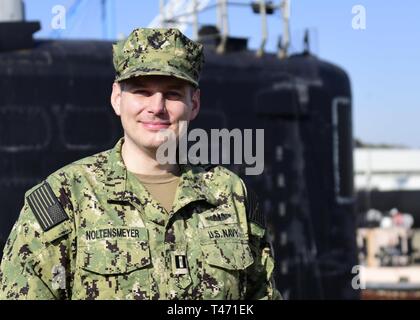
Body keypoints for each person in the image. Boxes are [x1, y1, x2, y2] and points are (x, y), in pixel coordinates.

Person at [0, 28, 280, 300]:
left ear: (194, 103)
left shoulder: (231, 196)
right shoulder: (65, 198)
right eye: (142, 91)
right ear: (117, 98)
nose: (157, 107)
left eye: (172, 93)